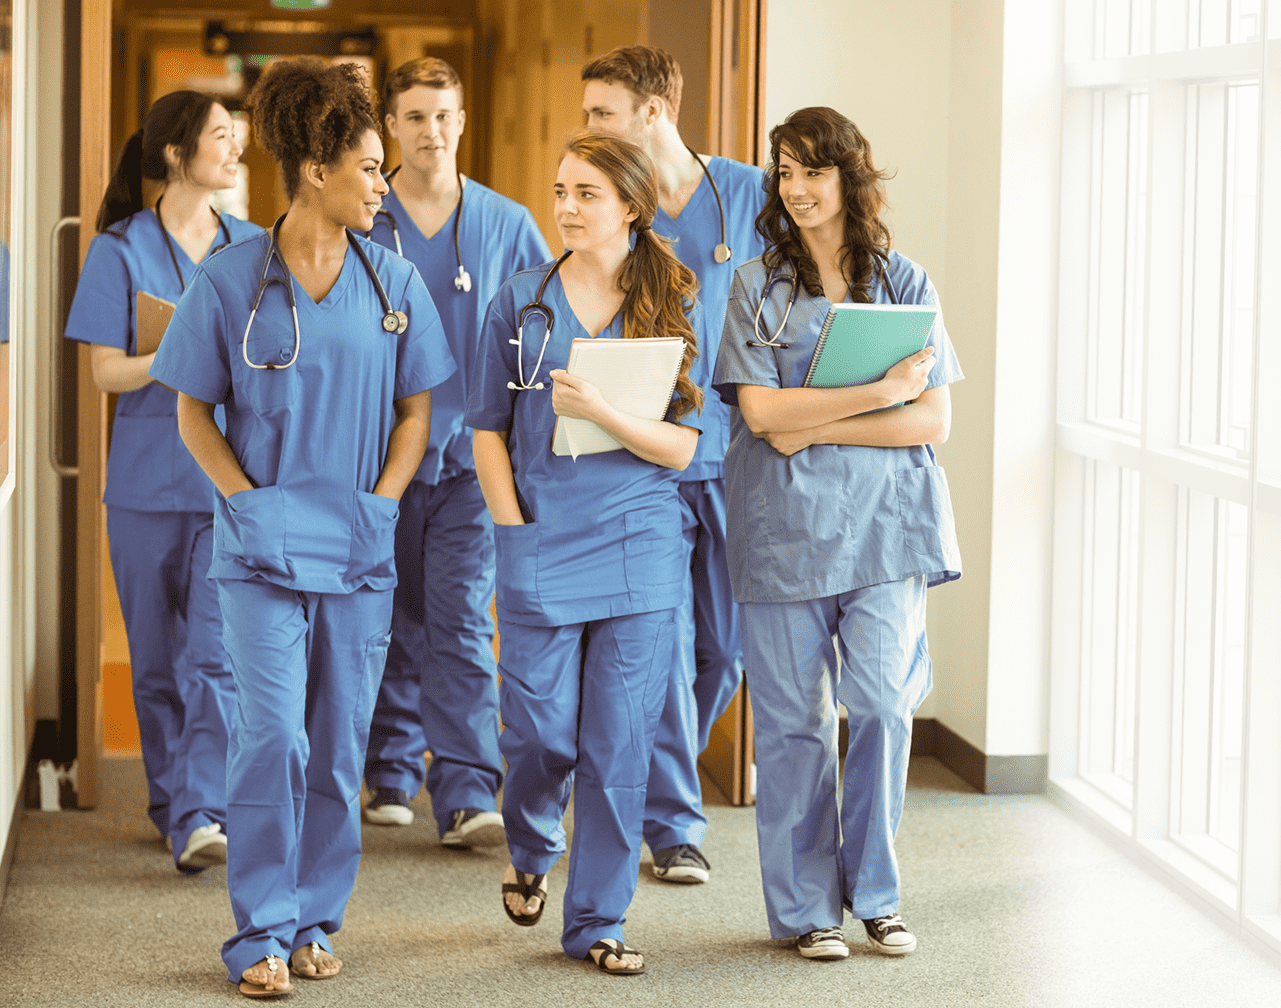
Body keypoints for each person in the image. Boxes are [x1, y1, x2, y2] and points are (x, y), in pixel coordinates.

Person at [149, 58, 454, 997]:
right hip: (261, 549)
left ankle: (317, 919)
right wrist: (245, 502)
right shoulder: (231, 279)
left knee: (335, 742)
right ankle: (260, 935)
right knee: (271, 737)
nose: (383, 179)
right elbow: (192, 410)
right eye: (370, 166)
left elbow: (416, 412)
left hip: (359, 546)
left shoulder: (393, 278)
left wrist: (385, 502)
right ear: (317, 172)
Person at [712, 107, 962, 961]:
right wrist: (878, 390)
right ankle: (806, 909)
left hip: (887, 530)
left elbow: (931, 419)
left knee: (886, 708)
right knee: (791, 726)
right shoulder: (755, 286)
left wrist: (818, 420)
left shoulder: (906, 284)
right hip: (784, 529)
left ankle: (878, 896)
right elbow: (762, 416)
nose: (796, 189)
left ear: (848, 178)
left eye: (811, 171)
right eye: (783, 173)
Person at [468, 129, 708, 975]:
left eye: (586, 195)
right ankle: (532, 844)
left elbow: (683, 448)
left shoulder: (676, 299)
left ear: (632, 209)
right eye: (560, 191)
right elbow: (486, 433)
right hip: (539, 538)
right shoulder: (517, 302)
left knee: (618, 744)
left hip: (639, 543)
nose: (565, 208)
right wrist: (512, 529)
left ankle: (596, 921)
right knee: (538, 734)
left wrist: (605, 412)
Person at [63, 90, 261, 873]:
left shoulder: (251, 247)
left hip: (225, 481)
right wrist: (179, 352)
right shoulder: (119, 249)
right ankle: (174, 801)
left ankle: (200, 810)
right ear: (177, 153)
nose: (235, 148)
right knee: (154, 660)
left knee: (215, 654)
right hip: (144, 487)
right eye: (221, 136)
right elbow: (107, 372)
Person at [582, 45, 766, 884]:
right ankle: (672, 822)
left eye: (602, 113)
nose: (587, 129)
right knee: (659, 642)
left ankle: (636, 770)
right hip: (649, 458)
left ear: (652, 112)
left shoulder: (748, 193)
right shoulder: (615, 205)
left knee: (724, 652)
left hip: (737, 457)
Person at [362, 57, 551, 846]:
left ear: (462, 121)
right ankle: (391, 769)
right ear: (390, 127)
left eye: (443, 116)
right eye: (413, 117)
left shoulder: (506, 224)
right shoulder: (363, 219)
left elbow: (547, 322)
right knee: (386, 612)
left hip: (474, 461)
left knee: (461, 618)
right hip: (378, 456)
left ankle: (469, 787)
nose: (430, 132)